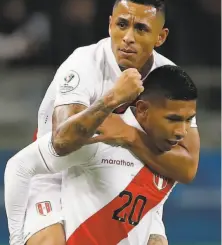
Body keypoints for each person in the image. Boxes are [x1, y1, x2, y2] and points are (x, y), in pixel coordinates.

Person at [6, 0, 200, 245]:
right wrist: (111, 100)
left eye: (141, 28)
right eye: (121, 25)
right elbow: (62, 142)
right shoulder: (83, 63)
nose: (128, 37)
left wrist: (128, 135)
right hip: (55, 173)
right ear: (110, 24)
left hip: (129, 174)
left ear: (160, 37)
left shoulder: (170, 79)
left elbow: (187, 167)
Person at [5, 65, 198, 245]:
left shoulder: (169, 156)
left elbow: (142, 205)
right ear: (142, 109)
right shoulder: (103, 134)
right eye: (173, 119)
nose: (182, 131)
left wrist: (156, 234)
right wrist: (17, 239)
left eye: (188, 120)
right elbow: (20, 166)